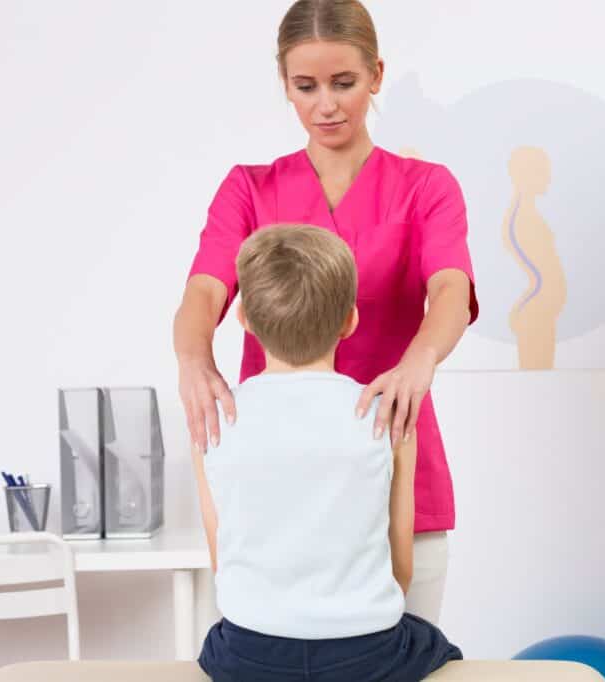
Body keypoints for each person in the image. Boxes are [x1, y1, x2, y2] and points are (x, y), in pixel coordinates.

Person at [174, 0, 477, 623]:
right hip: (276, 473)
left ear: (377, 75)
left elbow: (450, 287)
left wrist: (420, 360)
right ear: (283, 82)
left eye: (344, 83)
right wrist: (192, 360)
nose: (326, 105)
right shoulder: (250, 188)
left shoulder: (425, 187)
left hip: (391, 448)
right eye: (305, 86)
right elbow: (204, 291)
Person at [190, 225, 463, 682]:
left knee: (216, 643)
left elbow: (224, 561)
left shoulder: (214, 419)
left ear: (244, 319)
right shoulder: (386, 418)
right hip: (366, 654)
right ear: (350, 320)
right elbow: (400, 571)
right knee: (438, 647)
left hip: (249, 655)